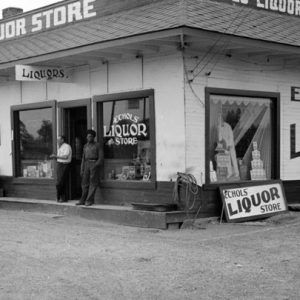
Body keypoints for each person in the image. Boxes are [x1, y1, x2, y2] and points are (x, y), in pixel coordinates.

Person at [76, 129, 103, 206]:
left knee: (93, 183)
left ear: (93, 137)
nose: (89, 138)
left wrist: (95, 165)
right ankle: (82, 199)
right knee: (84, 183)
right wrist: (82, 169)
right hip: (86, 164)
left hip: (94, 163)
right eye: (88, 136)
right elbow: (83, 159)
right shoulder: (85, 146)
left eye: (91, 136)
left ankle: (89, 200)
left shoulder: (97, 145)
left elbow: (101, 158)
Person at [50, 135, 72, 202]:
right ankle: (61, 197)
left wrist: (55, 156)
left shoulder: (67, 146)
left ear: (62, 140)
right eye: (57, 140)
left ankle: (60, 197)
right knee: (60, 181)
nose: (57, 141)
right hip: (59, 164)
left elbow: (65, 157)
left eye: (59, 140)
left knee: (60, 182)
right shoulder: (60, 147)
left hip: (64, 165)